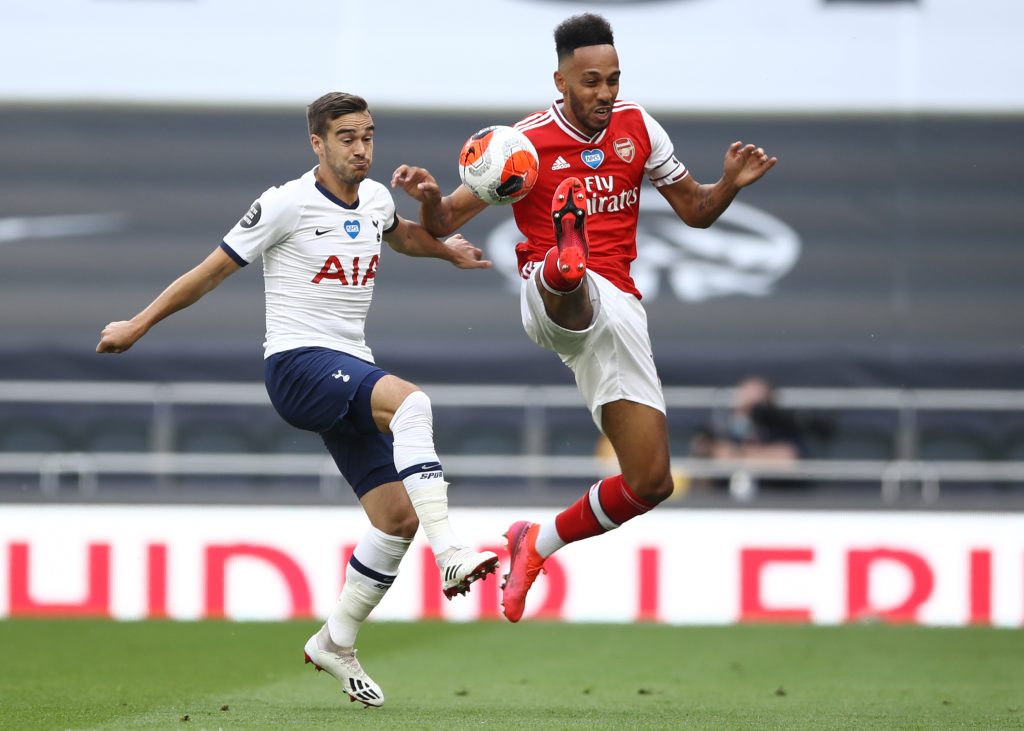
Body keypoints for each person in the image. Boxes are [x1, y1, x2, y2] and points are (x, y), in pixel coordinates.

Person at [96, 92, 499, 707]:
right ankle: (450, 555)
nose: (360, 148)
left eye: (367, 136)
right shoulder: (284, 203)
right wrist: (137, 323)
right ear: (317, 142)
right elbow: (210, 270)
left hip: (348, 367)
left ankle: (335, 641)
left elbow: (402, 238)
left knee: (396, 519)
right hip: (297, 366)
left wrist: (448, 251)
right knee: (412, 404)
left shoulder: (376, 198)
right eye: (346, 138)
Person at [391, 14, 777, 623]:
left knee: (650, 483)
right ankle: (566, 256)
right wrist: (433, 199)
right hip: (545, 293)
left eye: (613, 80)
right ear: (561, 80)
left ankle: (534, 545)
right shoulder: (523, 144)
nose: (605, 93)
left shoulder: (638, 128)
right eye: (592, 81)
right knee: (573, 279)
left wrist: (729, 183)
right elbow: (442, 226)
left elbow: (696, 212)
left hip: (620, 312)